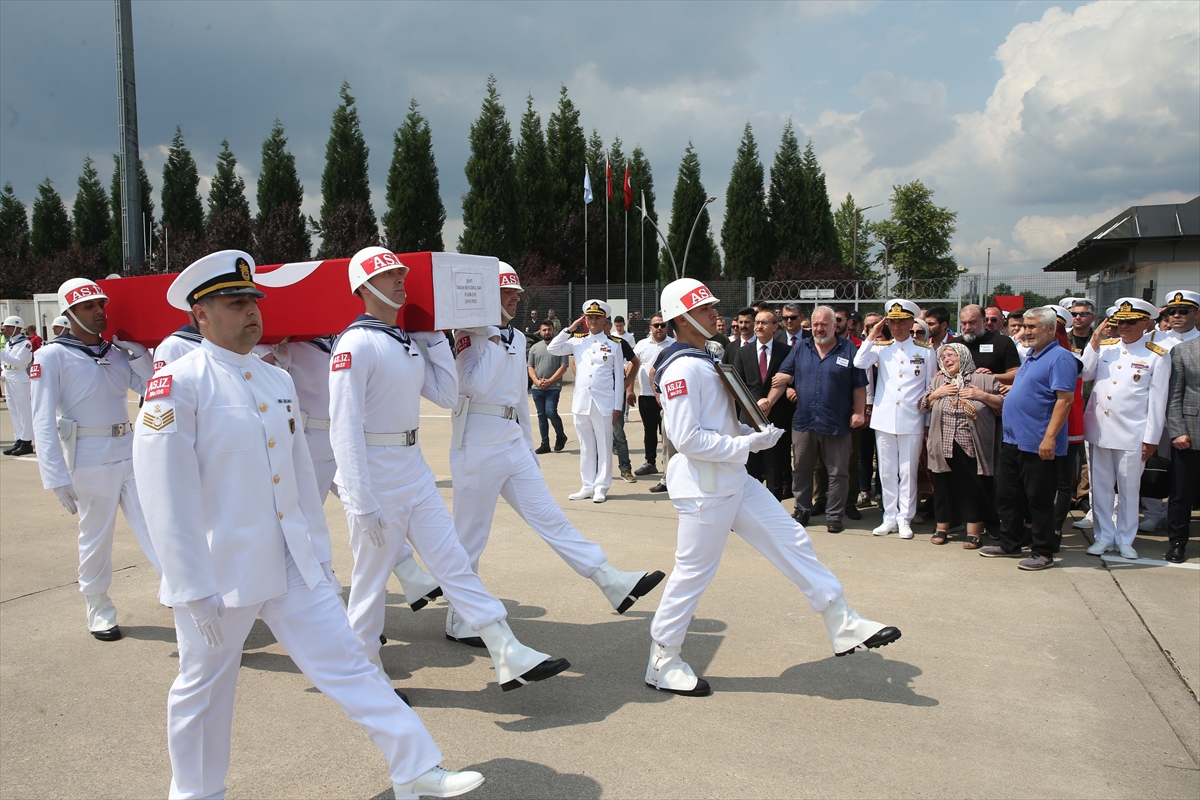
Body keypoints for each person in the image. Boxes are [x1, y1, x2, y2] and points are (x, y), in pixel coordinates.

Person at [132, 250, 484, 800]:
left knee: (348, 662)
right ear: (199, 315)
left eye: (254, 301)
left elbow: (298, 475)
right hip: (221, 573)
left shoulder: (275, 379)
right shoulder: (177, 384)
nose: (252, 312)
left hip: (293, 560)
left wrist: (319, 554)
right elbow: (164, 496)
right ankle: (196, 793)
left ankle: (415, 767)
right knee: (203, 689)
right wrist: (188, 587)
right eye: (235, 303)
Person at [644, 278, 900, 696]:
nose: (715, 313)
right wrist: (749, 442)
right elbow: (687, 438)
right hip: (707, 485)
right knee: (693, 574)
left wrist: (745, 429)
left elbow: (717, 417)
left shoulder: (702, 356)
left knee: (791, 539)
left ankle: (842, 621)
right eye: (705, 308)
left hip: (731, 477)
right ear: (683, 318)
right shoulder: (683, 367)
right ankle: (663, 660)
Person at [330, 247, 567, 694]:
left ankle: (505, 648)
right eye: (388, 277)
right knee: (370, 582)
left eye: (400, 273)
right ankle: (363, 670)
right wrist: (359, 500)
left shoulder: (404, 341)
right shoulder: (354, 344)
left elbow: (444, 394)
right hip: (376, 475)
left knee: (454, 563)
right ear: (363, 288)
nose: (400, 281)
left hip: (413, 469)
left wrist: (436, 337)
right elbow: (342, 429)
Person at [447, 263, 664, 643]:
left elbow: (517, 398)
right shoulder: (470, 334)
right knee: (471, 536)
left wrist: (528, 449)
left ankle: (610, 580)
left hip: (512, 438)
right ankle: (458, 617)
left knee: (551, 517)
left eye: (516, 291)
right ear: (487, 294)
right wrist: (492, 341)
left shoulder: (513, 336)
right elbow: (471, 385)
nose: (516, 297)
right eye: (508, 291)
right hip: (477, 440)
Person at [30, 279, 161, 640]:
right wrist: (55, 476)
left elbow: (153, 389)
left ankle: (180, 594)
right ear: (69, 314)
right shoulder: (51, 356)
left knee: (159, 525)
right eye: (88, 307)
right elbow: (42, 419)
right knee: (96, 538)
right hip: (88, 459)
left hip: (130, 452)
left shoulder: (117, 353)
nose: (99, 311)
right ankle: (98, 604)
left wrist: (138, 355)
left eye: (101, 304)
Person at [979, 308, 1077, 571]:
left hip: (1038, 442)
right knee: (1009, 496)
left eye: (1033, 327)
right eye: (1025, 326)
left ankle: (1042, 551)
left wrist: (1049, 439)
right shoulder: (1032, 356)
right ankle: (1009, 542)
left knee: (1039, 499)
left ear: (1050, 329)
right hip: (1013, 440)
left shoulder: (1060, 358)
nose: (1027, 331)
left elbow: (1064, 401)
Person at [1080, 298, 1170, 560]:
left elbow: (1157, 400)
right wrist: (1095, 340)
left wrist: (1151, 438)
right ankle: (1103, 536)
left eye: (1130, 322)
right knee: (1102, 488)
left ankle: (1125, 538)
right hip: (1099, 430)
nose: (1124, 327)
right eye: (1120, 322)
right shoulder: (1106, 347)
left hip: (1132, 433)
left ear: (1146, 323)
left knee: (1130, 490)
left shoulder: (1156, 354)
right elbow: (1084, 373)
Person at [765, 306, 866, 532]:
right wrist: (769, 402)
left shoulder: (848, 349)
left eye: (824, 324)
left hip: (837, 422)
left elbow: (860, 386)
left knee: (838, 472)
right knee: (801, 468)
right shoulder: (801, 347)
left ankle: (834, 516)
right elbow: (783, 378)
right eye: (816, 324)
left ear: (834, 326)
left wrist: (858, 412)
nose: (819, 328)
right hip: (805, 421)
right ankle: (802, 510)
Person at [853, 299, 932, 539]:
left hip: (912, 418)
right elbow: (858, 363)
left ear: (911, 323)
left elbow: (930, 388)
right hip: (885, 417)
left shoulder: (925, 351)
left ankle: (905, 518)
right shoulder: (880, 348)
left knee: (907, 471)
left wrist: (927, 424)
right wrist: (872, 335)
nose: (897, 327)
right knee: (887, 471)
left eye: (902, 322)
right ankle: (889, 517)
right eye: (893, 322)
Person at [918, 343, 1004, 548]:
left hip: (972, 443)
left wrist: (982, 396)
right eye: (943, 357)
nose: (947, 359)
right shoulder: (938, 380)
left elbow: (1006, 403)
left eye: (951, 355)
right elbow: (922, 406)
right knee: (942, 486)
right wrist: (935, 395)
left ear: (963, 356)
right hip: (943, 443)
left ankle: (973, 532)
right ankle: (942, 529)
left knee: (973, 488)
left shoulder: (984, 379)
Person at [548, 300, 628, 503]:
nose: (592, 321)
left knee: (604, 445)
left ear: (604, 320)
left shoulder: (614, 345)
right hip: (582, 402)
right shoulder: (577, 340)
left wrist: (618, 406)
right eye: (589, 317)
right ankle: (587, 485)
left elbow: (619, 378)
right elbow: (552, 348)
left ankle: (601, 486)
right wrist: (569, 329)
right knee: (586, 446)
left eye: (597, 317)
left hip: (604, 403)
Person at [732, 308, 794, 500]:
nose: (758, 326)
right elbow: (739, 383)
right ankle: (748, 505)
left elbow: (790, 376)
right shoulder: (742, 352)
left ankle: (774, 504)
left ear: (775, 327)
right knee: (751, 464)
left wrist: (786, 386)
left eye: (764, 323)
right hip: (750, 416)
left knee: (775, 464)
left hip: (776, 415)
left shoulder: (786, 351)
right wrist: (758, 401)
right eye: (757, 322)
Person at [1165, 335, 1199, 563]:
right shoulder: (1183, 350)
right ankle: (1177, 542)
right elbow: (1174, 395)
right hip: (1191, 433)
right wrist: (1177, 430)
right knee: (1181, 494)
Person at [633, 313, 674, 476]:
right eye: (656, 325)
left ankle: (669, 465)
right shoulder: (641, 345)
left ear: (667, 327)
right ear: (650, 328)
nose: (659, 328)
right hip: (646, 395)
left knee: (668, 432)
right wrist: (629, 390)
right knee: (649, 431)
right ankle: (650, 462)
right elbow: (633, 367)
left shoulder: (674, 344)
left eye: (662, 325)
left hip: (668, 397)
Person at [604, 317, 641, 484]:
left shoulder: (618, 342)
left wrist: (627, 383)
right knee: (595, 437)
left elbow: (635, 361)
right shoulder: (586, 342)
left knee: (619, 435)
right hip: (595, 397)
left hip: (614, 395)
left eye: (603, 321)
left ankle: (625, 469)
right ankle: (598, 473)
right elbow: (574, 361)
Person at [527, 320, 570, 454]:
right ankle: (545, 443)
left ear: (553, 330)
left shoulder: (560, 347)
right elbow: (530, 367)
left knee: (550, 412)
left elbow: (563, 367)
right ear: (540, 331)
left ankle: (561, 436)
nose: (547, 332)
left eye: (549, 329)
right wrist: (537, 381)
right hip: (537, 388)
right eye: (544, 330)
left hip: (553, 387)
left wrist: (550, 380)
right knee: (541, 415)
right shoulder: (535, 348)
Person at [1, 315, 34, 455]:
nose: (5, 330)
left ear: (16, 327)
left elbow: (18, 361)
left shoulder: (25, 343)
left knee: (24, 412)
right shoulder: (9, 343)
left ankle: (27, 442)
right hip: (9, 378)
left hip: (20, 378)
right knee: (14, 412)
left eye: (8, 327)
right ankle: (19, 438)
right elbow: (6, 362)